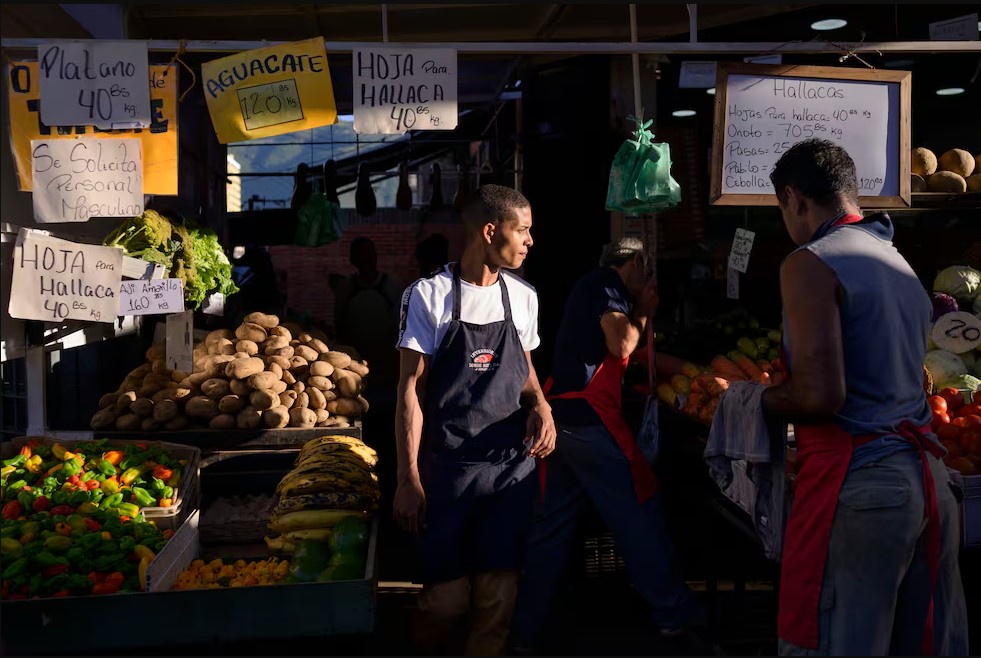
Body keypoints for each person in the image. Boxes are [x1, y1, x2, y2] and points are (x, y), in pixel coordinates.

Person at [760, 138, 968, 655]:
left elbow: (821, 395)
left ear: (794, 199)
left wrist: (751, 401)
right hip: (929, 485)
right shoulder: (897, 261)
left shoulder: (809, 262)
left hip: (865, 491)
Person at [509, 237, 700, 653]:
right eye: (645, 271)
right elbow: (623, 343)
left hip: (564, 424)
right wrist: (646, 309)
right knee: (640, 506)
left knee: (552, 527)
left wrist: (692, 369)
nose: (648, 280)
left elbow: (631, 354)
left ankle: (526, 632)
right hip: (588, 424)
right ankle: (674, 615)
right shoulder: (605, 284)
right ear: (632, 264)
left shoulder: (596, 290)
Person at [394, 184, 556, 656]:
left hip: (508, 469)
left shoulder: (524, 298)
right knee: (444, 602)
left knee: (497, 601)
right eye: (522, 230)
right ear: (490, 230)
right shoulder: (430, 296)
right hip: (447, 474)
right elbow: (410, 390)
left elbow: (523, 370)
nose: (530, 241)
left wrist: (541, 406)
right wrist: (409, 478)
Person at [333, 236, 404, 386]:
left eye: (369, 255)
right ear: (353, 259)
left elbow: (403, 327)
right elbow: (338, 323)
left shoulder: (391, 286)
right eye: (361, 255)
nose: (366, 260)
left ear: (375, 258)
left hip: (388, 364)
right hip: (354, 365)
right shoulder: (346, 289)